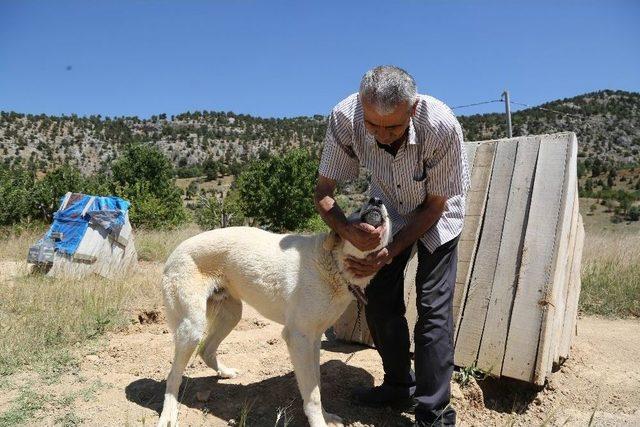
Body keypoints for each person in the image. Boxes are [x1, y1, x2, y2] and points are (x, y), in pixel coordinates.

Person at [313, 65, 470, 426]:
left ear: (412, 110)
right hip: (389, 209)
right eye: (373, 126)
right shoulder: (345, 118)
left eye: (393, 127)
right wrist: (346, 229)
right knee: (379, 301)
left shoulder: (440, 125)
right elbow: (323, 192)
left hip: (438, 213)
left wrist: (391, 250)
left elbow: (434, 205)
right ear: (362, 108)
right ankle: (399, 384)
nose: (382, 136)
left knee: (433, 310)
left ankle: (434, 412)